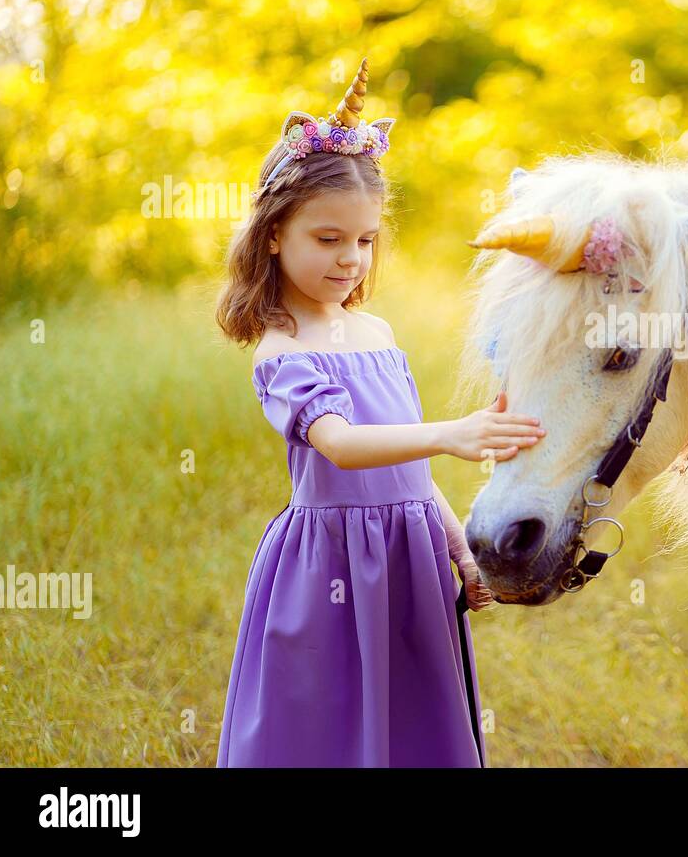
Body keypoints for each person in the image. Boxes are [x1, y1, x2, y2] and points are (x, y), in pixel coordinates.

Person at [212, 58, 545, 766]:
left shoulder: (377, 334)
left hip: (410, 552)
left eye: (364, 241)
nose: (350, 259)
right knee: (326, 718)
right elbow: (341, 444)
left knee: (413, 713)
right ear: (275, 234)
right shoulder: (282, 347)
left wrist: (459, 547)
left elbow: (413, 473)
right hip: (331, 561)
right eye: (327, 240)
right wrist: (454, 433)